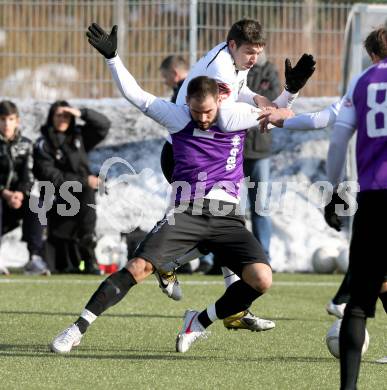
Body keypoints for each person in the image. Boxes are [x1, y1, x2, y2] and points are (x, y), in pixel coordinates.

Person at [49, 22, 294, 354]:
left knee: (261, 279)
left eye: (207, 111)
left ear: (222, 100)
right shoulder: (179, 117)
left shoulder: (235, 114)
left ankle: (199, 321)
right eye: (195, 111)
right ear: (187, 104)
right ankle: (77, 328)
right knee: (138, 267)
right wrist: (113, 57)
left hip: (227, 218)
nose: (203, 118)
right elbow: (136, 95)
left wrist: (290, 91)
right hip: (188, 213)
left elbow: (280, 114)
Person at [157, 18, 315, 331]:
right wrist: (278, 107)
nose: (254, 58)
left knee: (224, 227)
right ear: (233, 46)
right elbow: (228, 119)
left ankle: (232, 307)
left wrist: (262, 98)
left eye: (258, 52)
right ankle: (169, 260)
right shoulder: (220, 69)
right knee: (219, 229)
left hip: (208, 155)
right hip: (189, 156)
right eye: (249, 52)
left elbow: (239, 94)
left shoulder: (231, 61)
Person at [323, 27, 387, 388]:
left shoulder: (363, 81)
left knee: (359, 303)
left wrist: (333, 190)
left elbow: (338, 139)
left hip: (376, 198)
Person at [33, 101, 111, 274]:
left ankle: (88, 255)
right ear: (51, 118)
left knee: (86, 194)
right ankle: (87, 256)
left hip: (82, 196)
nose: (62, 119)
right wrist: (84, 181)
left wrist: (81, 112)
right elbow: (50, 176)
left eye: (66, 115)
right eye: (58, 115)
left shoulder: (78, 137)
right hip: (57, 196)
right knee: (86, 192)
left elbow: (104, 125)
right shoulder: (43, 144)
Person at [0, 100, 49, 275]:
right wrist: (5, 193)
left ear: (17, 121)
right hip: (2, 198)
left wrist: (20, 194)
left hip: (17, 199)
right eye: (3, 119)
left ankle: (34, 258)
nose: (6, 123)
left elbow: (28, 175)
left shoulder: (26, 145)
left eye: (10, 119)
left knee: (37, 203)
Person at [243, 51, 281, 260]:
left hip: (259, 149)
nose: (253, 55)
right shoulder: (233, 70)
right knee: (224, 206)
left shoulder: (269, 71)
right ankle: (217, 258)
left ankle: (262, 256)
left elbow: (274, 104)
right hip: (233, 147)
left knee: (260, 206)